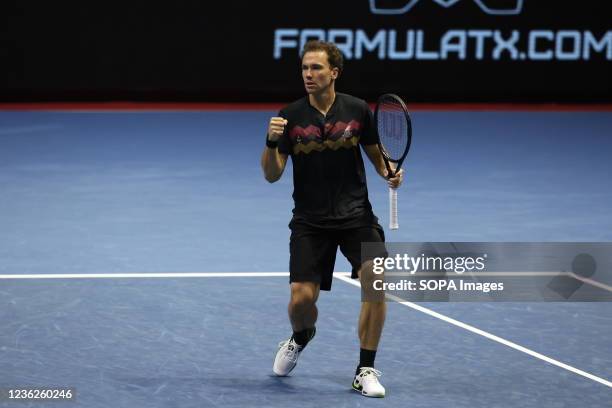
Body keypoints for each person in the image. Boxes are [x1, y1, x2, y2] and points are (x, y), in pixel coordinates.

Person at [260, 40, 403, 398]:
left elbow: (376, 154)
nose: (308, 75)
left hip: (356, 215)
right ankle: (301, 336)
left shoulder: (356, 110)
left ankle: (365, 368)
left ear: (334, 72)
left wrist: (389, 172)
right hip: (310, 221)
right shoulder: (290, 116)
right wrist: (270, 141)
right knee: (300, 301)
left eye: (316, 68)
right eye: (305, 69)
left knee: (376, 277)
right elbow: (272, 174)